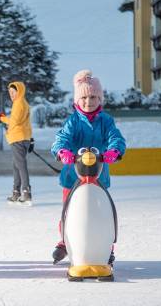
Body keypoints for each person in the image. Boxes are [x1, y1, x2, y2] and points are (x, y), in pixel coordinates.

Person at [50, 70, 126, 265]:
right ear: (77, 99)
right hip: (72, 176)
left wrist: (114, 151)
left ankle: (107, 246)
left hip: (98, 174)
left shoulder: (106, 120)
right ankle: (66, 241)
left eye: (93, 97)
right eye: (84, 97)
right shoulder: (73, 121)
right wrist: (62, 152)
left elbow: (115, 137)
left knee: (103, 213)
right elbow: (61, 139)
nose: (88, 101)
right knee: (69, 211)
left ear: (99, 98)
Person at [0, 81, 33, 205]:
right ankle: (16, 193)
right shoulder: (23, 103)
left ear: (19, 91)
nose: (11, 94)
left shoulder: (19, 103)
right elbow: (25, 123)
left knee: (20, 166)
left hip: (18, 139)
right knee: (16, 166)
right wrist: (30, 139)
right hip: (23, 138)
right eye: (10, 92)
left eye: (13, 92)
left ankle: (26, 193)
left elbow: (14, 121)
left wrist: (1, 118)